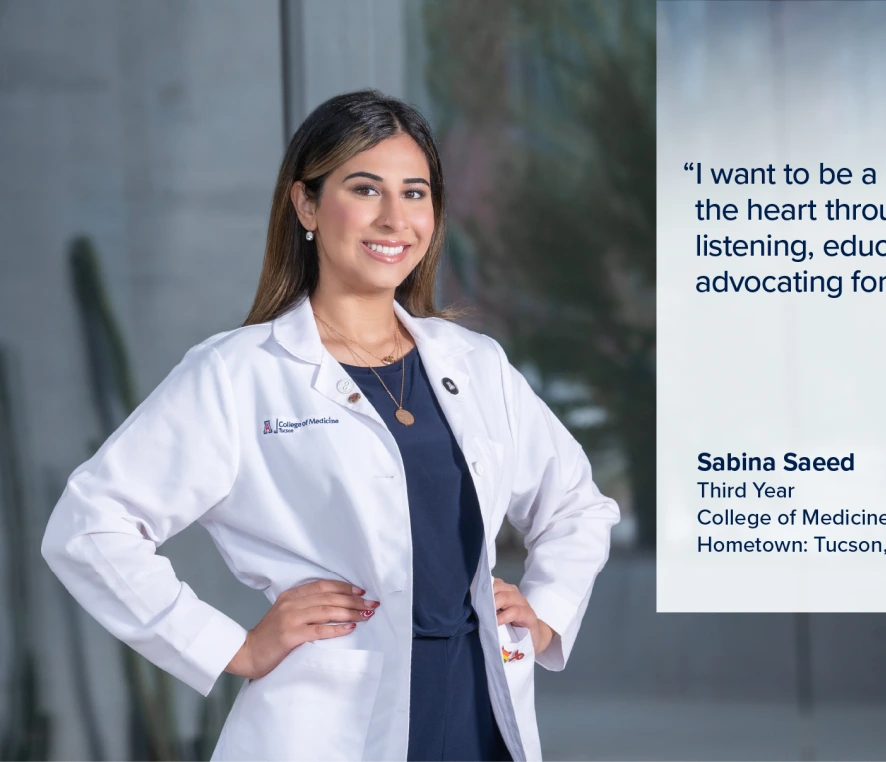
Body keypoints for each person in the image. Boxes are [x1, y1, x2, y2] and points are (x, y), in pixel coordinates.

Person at [40, 89, 620, 762]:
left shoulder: (475, 364)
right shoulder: (239, 372)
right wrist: (231, 646)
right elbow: (88, 528)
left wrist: (546, 612)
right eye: (365, 189)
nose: (395, 218)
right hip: (326, 727)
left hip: (479, 713)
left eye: (415, 192)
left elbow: (577, 504)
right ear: (306, 205)